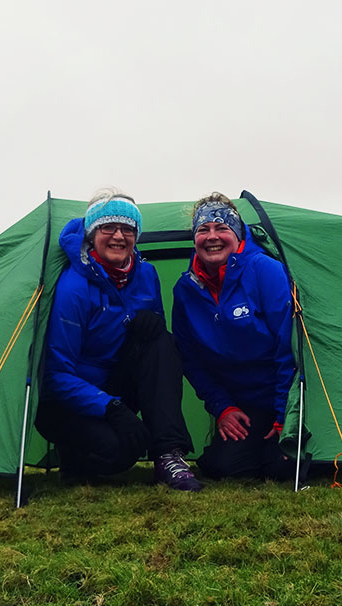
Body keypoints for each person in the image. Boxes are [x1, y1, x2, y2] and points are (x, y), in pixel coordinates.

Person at [35, 190, 203, 491]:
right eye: (108, 227)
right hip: (68, 401)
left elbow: (154, 357)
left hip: (115, 383)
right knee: (122, 451)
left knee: (161, 341)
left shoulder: (146, 274)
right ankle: (74, 457)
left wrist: (152, 325)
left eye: (127, 228)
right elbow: (56, 375)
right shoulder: (74, 287)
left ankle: (168, 454)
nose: (118, 236)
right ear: (92, 233)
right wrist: (111, 407)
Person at [172, 193, 302, 480]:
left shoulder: (265, 271)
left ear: (238, 234)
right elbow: (189, 359)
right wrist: (223, 407)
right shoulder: (185, 291)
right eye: (203, 230)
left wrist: (285, 416)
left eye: (222, 228)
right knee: (223, 467)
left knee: (283, 466)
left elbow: (289, 347)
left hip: (284, 397)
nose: (212, 236)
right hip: (243, 406)